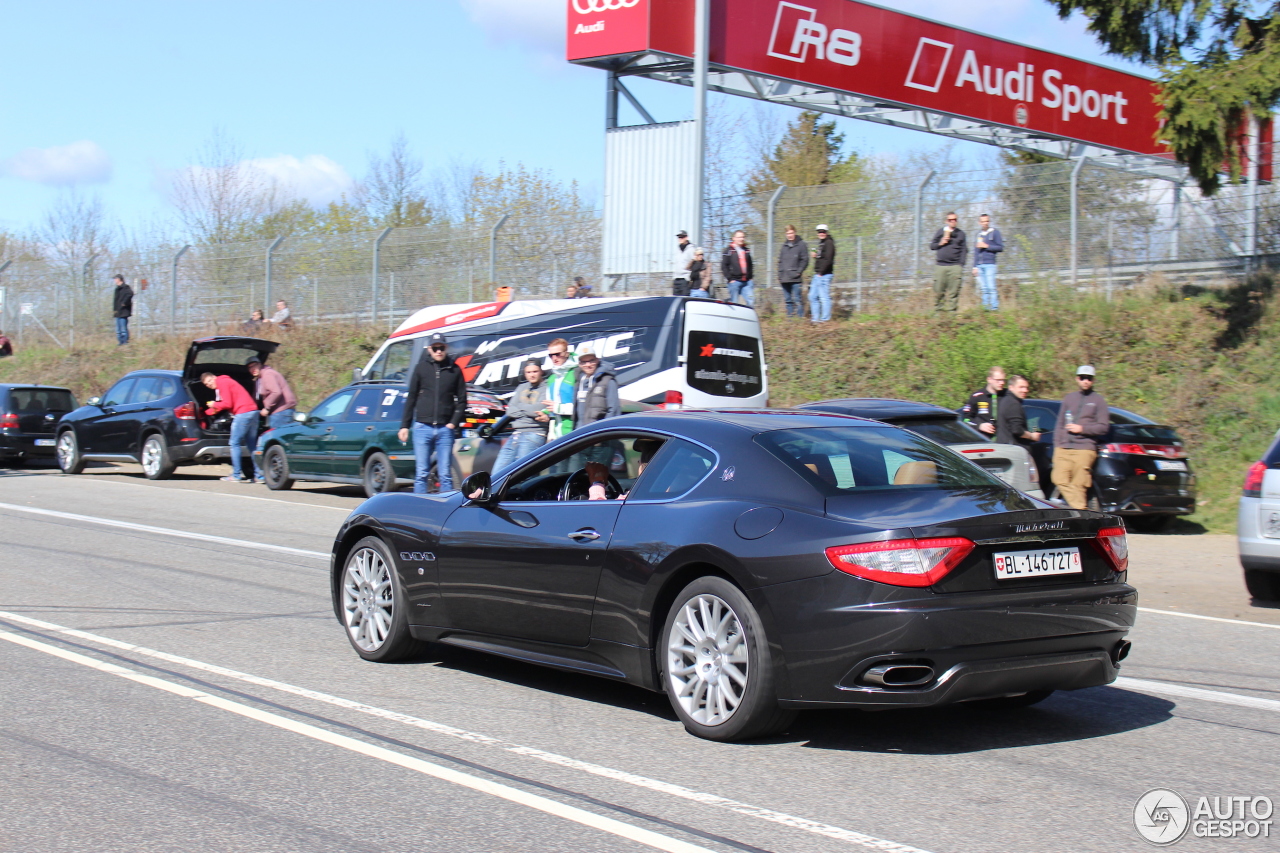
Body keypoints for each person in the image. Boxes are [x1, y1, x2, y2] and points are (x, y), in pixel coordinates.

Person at [397, 332, 467, 494]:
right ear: (429, 349)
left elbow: (462, 400)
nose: (438, 351)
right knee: (422, 473)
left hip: (445, 429)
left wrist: (453, 423)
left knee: (445, 474)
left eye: (441, 348)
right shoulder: (421, 368)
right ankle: (421, 509)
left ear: (446, 348)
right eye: (435, 348)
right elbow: (411, 398)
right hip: (423, 427)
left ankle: (445, 510)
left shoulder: (454, 370)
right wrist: (404, 426)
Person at [1052, 365, 1111, 510]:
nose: (1086, 381)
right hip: (1064, 448)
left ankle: (1080, 517)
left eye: (1089, 378)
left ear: (1093, 380)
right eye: (1083, 378)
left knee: (1079, 484)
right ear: (1077, 379)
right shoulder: (1069, 398)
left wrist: (1082, 429)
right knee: (1058, 479)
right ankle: (1082, 511)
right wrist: (1057, 445)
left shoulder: (1098, 401)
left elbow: (1104, 427)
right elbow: (1059, 424)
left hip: (1085, 448)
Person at [201, 371, 262, 483]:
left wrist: (214, 404)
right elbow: (225, 404)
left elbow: (227, 404)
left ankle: (236, 475)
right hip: (253, 412)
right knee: (252, 445)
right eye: (206, 384)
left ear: (214, 377)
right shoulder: (225, 382)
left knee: (234, 443)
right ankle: (259, 476)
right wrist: (207, 413)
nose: (209, 384)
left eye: (209, 381)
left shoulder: (221, 382)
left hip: (243, 413)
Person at [492, 360, 551, 471]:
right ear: (525, 373)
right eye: (528, 372)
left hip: (535, 434)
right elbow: (510, 411)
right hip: (516, 434)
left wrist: (520, 405)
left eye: (535, 371)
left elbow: (537, 410)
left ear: (541, 371)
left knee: (523, 474)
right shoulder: (521, 387)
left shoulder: (547, 387)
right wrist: (528, 411)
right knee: (497, 473)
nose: (532, 375)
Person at [930, 213, 967, 312]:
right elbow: (932, 246)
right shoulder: (940, 232)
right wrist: (940, 242)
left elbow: (964, 250)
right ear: (946, 221)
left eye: (955, 219)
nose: (953, 221)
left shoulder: (961, 234)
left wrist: (961, 265)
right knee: (938, 291)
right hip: (941, 266)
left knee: (953, 293)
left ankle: (951, 316)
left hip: (955, 266)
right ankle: (939, 314)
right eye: (950, 220)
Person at [248, 357, 298, 430]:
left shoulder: (267, 374)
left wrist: (267, 408)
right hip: (280, 412)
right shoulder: (259, 380)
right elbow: (256, 398)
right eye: (249, 367)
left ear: (260, 364)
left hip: (282, 412)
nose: (252, 369)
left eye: (254, 365)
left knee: (277, 439)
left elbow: (276, 392)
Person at [543, 337, 577, 441]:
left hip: (575, 431)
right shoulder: (552, 378)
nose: (554, 358)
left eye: (558, 354)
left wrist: (558, 408)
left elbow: (582, 406)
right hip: (559, 435)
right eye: (551, 355)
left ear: (566, 353)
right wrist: (544, 413)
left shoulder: (577, 373)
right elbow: (551, 405)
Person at [573, 352, 620, 428]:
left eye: (591, 361)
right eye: (584, 362)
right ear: (580, 364)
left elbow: (614, 410)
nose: (588, 365)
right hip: (580, 433)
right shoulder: (578, 382)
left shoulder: (608, 381)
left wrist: (605, 431)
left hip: (597, 433)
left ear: (597, 360)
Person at [961, 366, 1006, 439]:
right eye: (998, 380)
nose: (1002, 383)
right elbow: (965, 420)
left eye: (1003, 380)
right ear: (989, 379)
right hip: (983, 440)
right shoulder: (977, 396)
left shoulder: (1007, 395)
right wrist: (979, 425)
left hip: (1003, 441)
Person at [972, 213, 1005, 311]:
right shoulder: (978, 234)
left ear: (989, 221)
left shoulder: (995, 232)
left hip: (990, 264)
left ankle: (994, 309)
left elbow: (1000, 247)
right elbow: (976, 251)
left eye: (987, 221)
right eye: (982, 221)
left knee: (991, 288)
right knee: (984, 289)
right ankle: (985, 309)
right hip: (979, 265)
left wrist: (987, 246)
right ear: (979, 223)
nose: (985, 223)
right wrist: (974, 266)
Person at [777, 225, 809, 318]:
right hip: (784, 278)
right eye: (787, 233)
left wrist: (798, 272)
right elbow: (780, 261)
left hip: (795, 278)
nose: (789, 235)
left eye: (791, 233)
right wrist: (780, 273)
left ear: (794, 232)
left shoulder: (801, 244)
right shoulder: (784, 246)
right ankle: (790, 321)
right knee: (788, 300)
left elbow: (805, 260)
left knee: (797, 300)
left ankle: (799, 320)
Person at [1004, 375, 1042, 447]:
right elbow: (1016, 430)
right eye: (1021, 387)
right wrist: (1032, 436)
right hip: (1014, 449)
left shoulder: (1004, 401)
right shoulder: (1013, 404)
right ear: (1011, 387)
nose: (1025, 390)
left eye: (1026, 387)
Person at [809, 225, 835, 323]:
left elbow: (828, 260)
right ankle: (815, 319)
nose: (821, 233)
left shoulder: (829, 243)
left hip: (824, 274)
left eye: (823, 231)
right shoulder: (822, 243)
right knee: (812, 296)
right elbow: (823, 258)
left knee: (824, 297)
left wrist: (821, 272)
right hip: (818, 274)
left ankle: (825, 320)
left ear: (827, 232)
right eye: (819, 232)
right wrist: (815, 256)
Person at [721, 230, 754, 307]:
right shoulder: (729, 251)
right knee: (734, 303)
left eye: (742, 237)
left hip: (747, 282)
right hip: (734, 282)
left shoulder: (746, 250)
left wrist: (751, 278)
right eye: (739, 237)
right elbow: (724, 266)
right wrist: (730, 279)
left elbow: (750, 264)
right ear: (734, 238)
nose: (741, 239)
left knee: (751, 302)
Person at [112, 274, 134, 345]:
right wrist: (115, 310)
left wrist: (124, 303)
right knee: (118, 329)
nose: (114, 280)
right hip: (118, 311)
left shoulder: (125, 287)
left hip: (124, 311)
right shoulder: (117, 289)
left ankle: (125, 342)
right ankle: (120, 342)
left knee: (123, 328)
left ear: (119, 279)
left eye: (115, 279)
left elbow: (130, 294)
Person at [673, 230, 696, 296]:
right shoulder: (677, 249)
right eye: (679, 237)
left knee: (684, 299)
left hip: (685, 279)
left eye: (682, 237)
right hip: (676, 278)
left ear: (686, 237)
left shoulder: (691, 249)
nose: (680, 239)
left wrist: (690, 278)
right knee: (676, 300)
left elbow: (694, 263)